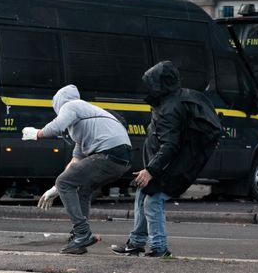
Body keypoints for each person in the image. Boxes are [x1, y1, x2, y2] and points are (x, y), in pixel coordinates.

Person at [22, 85, 132, 254]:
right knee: (82, 187)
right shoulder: (85, 121)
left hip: (109, 153)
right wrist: (55, 189)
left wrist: (36, 133)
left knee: (64, 182)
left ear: (58, 103)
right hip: (122, 159)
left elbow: (56, 127)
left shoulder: (72, 105)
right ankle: (79, 239)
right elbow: (76, 161)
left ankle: (82, 233)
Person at [112, 60, 185, 258]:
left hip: (162, 166)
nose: (149, 87)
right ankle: (136, 243)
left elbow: (170, 145)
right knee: (142, 197)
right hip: (157, 163)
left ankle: (159, 248)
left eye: (153, 83)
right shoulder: (166, 103)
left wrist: (151, 170)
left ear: (162, 84)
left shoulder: (169, 108)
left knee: (152, 202)